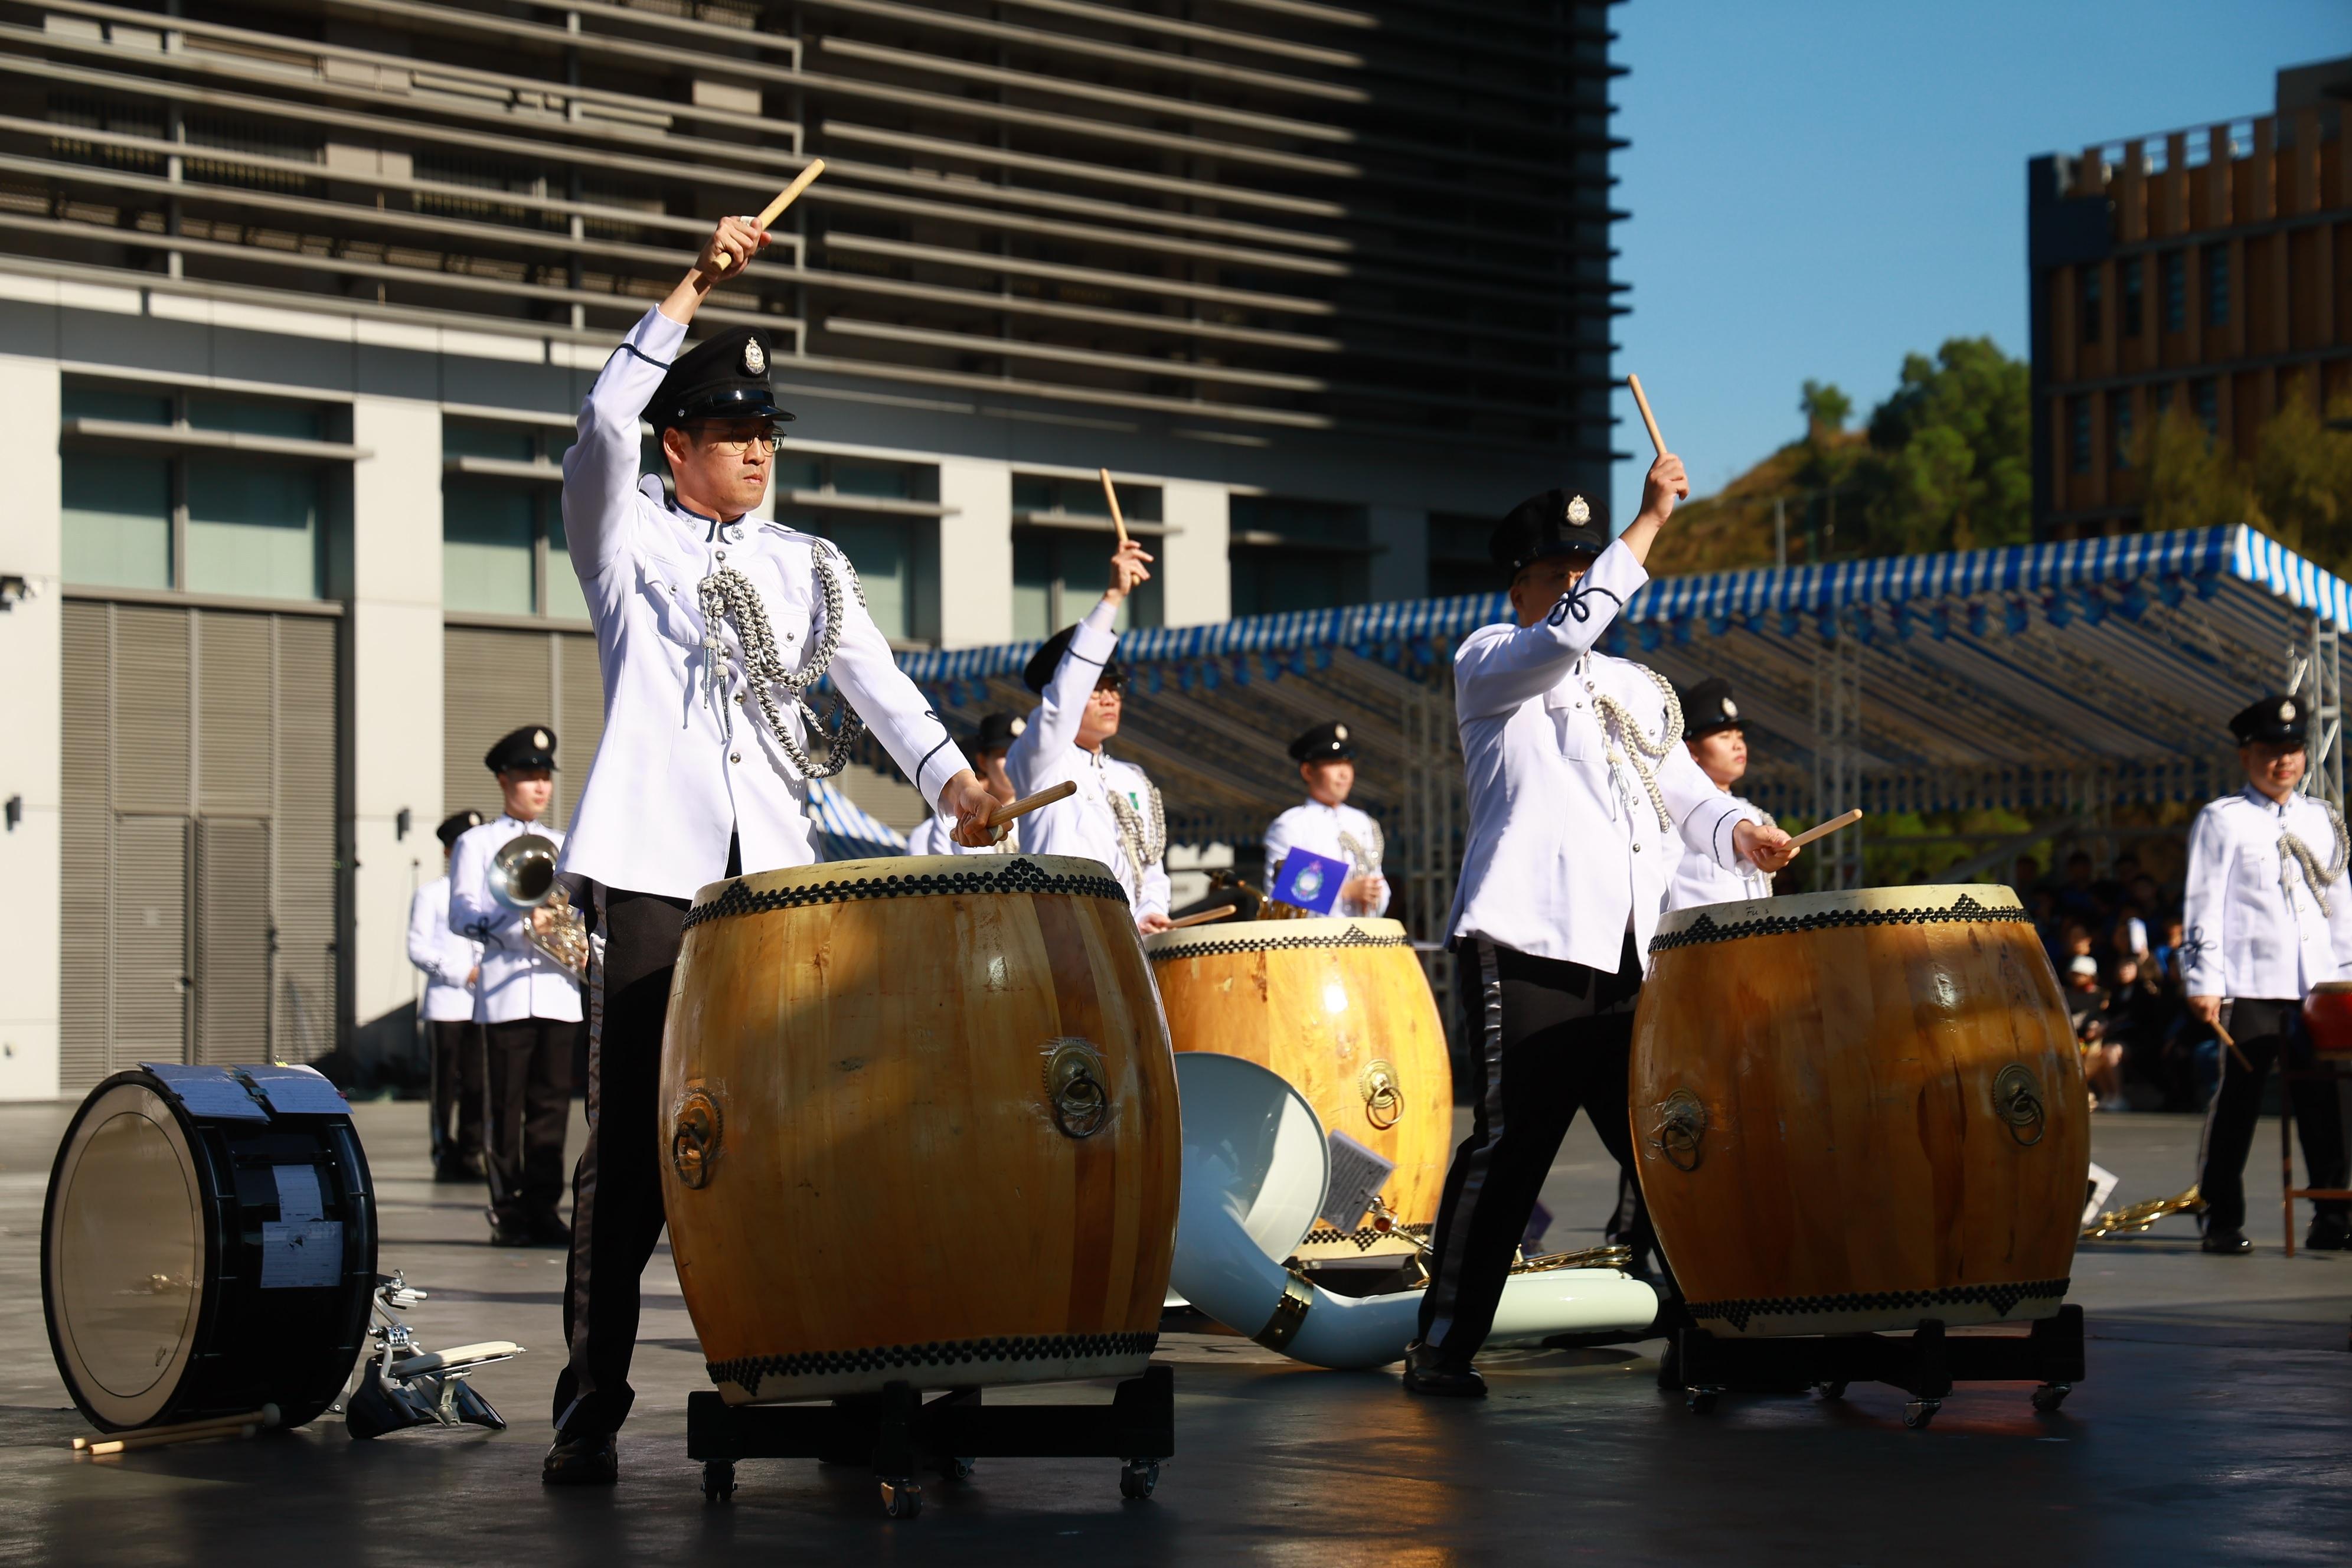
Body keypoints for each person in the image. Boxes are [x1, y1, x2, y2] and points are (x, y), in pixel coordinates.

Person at [541, 214, 998, 1484]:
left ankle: (834, 1373)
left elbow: (882, 686)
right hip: (649, 873)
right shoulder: (626, 537)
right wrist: (687, 288)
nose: (756, 451)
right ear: (679, 445)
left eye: (766, 434)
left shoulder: (809, 562)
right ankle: (593, 1399)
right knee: (630, 1151)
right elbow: (595, 435)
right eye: (732, 433)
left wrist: (955, 781)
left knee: (814, 1132)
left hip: (779, 886)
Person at [1403, 472, 1799, 1400]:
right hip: (1529, 942)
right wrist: (1651, 522)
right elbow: (1567, 635)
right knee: (1511, 1150)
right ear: (1521, 589)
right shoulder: (1495, 657)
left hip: (1628, 953)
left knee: (1670, 1147)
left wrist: (1741, 831)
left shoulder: (1637, 687)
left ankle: (1698, 1336)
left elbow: (1685, 794)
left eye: (1588, 567)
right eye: (1559, 571)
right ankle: (1445, 1345)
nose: (1580, 584)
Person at [2183, 691, 2352, 1256]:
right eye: (2269, 751)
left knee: (2325, 1103)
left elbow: (2340, 903)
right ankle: (2220, 1217)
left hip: (2316, 988)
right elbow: (2202, 903)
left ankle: (2332, 1215)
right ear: (2246, 755)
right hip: (2251, 984)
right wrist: (2204, 981)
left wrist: (2347, 977)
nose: (2283, 761)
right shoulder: (2224, 820)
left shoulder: (2322, 819)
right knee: (2239, 1103)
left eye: (2293, 750)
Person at [449, 730, 580, 1249]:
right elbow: (462, 914)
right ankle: (508, 1210)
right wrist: (519, 925)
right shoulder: (476, 844)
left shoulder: (566, 841)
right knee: (504, 1106)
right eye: (529, 777)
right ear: (504, 780)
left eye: (545, 777)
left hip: (558, 990)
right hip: (503, 990)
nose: (539, 787)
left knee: (551, 1108)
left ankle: (545, 1207)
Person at [1004, 538, 1173, 935]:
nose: (1109, 697)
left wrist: (1149, 913)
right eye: (1095, 687)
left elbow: (1150, 870)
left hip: (1128, 942)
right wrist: (1113, 597)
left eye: (1115, 687)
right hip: (1064, 934)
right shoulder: (1040, 759)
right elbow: (1062, 705)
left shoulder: (1132, 778)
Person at [409, 809, 486, 1181]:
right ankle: (444, 1152)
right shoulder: (431, 894)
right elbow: (418, 948)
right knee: (444, 1085)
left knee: (477, 1083)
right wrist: (462, 972)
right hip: (446, 1003)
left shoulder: (490, 894)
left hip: (484, 1003)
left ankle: (471, 1153)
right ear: (447, 852)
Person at [1663, 677, 1774, 912]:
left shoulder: (1750, 812)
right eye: (1724, 737)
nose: (1738, 745)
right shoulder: (1670, 813)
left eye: (1740, 736)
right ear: (1689, 750)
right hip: (1695, 945)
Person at [1262, 722, 1390, 916]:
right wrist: (1344, 892)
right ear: (1308, 772)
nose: (1344, 773)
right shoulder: (1291, 825)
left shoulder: (1362, 821)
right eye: (1334, 764)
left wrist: (1374, 895)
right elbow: (1280, 900)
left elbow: (1378, 881)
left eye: (1347, 763)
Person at [908, 711, 1025, 855]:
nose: (1016, 761)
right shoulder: (952, 820)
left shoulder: (1042, 814)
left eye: (1023, 753)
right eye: (1004, 754)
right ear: (983, 762)